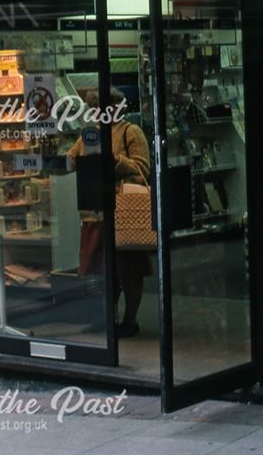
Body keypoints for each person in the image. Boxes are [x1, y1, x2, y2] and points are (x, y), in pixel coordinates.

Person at [67, 87, 153, 339]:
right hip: (95, 210)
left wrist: (117, 161)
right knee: (101, 269)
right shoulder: (89, 135)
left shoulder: (130, 131)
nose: (97, 113)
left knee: (128, 269)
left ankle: (130, 319)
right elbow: (71, 158)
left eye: (100, 107)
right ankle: (108, 316)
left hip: (122, 211)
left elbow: (142, 169)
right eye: (93, 108)